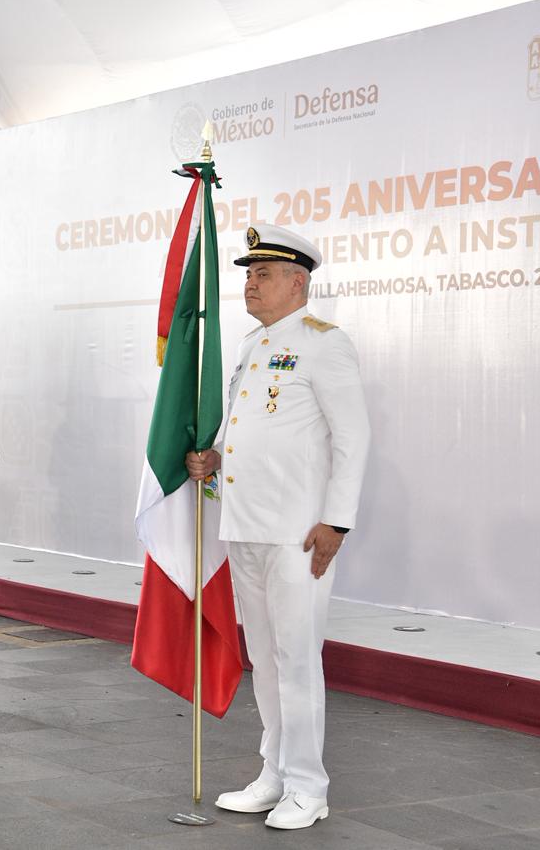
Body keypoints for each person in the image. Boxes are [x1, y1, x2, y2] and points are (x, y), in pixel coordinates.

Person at [185, 225, 370, 830]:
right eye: (248, 274)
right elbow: (247, 431)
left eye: (263, 274)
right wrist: (213, 459)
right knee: (263, 659)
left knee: (296, 659)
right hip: (246, 525)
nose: (250, 283)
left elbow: (352, 436)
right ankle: (274, 773)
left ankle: (308, 787)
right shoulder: (251, 344)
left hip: (298, 534)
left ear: (298, 282)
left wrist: (336, 520)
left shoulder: (324, 344)